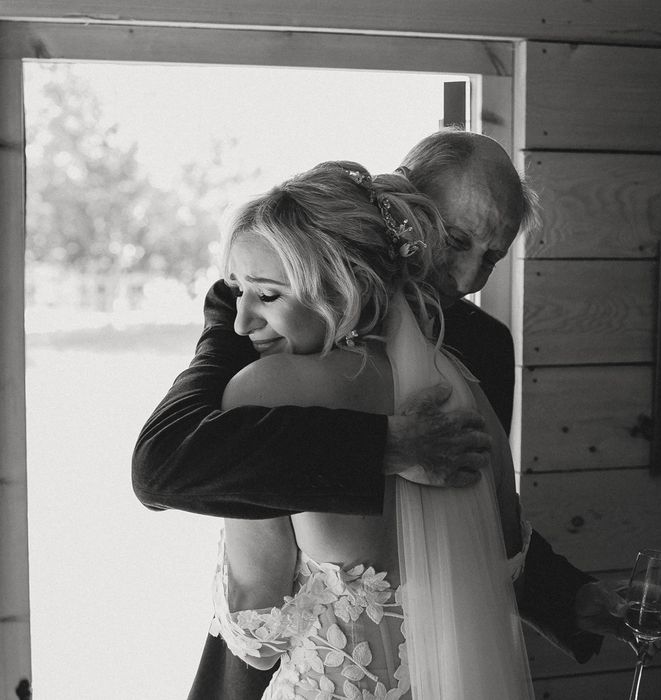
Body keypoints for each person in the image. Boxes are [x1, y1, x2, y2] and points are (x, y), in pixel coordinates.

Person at [132, 131, 618, 699]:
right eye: (456, 241)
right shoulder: (269, 300)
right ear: (403, 216)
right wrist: (386, 446)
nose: (466, 280)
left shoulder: (482, 349)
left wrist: (572, 598)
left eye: (492, 258)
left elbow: (473, 521)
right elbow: (166, 463)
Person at [210, 161, 534, 698]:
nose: (240, 322)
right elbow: (505, 566)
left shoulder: (262, 390)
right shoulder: (466, 393)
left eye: (267, 295)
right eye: (237, 290)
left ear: (340, 288)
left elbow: (257, 621)